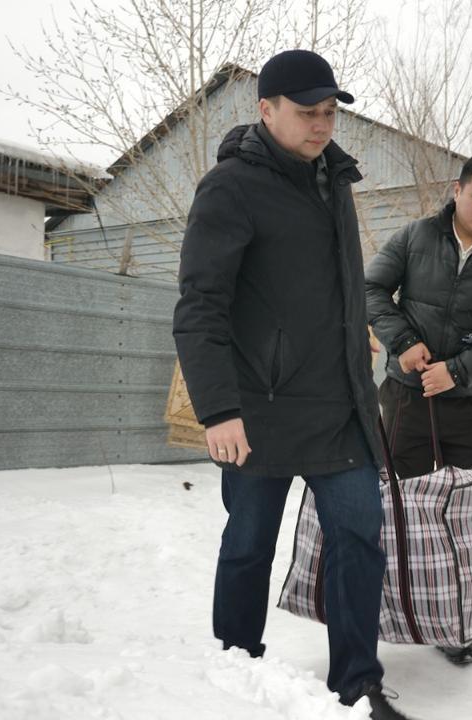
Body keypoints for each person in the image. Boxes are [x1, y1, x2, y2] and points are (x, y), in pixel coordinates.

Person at [172, 49, 411, 720]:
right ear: (266, 110)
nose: (322, 124)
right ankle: (236, 668)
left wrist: (354, 335)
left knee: (359, 540)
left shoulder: (335, 179)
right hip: (258, 409)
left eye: (330, 111)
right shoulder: (230, 188)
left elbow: (327, 286)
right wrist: (218, 409)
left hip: (338, 405)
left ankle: (357, 684)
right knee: (249, 544)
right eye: (308, 112)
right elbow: (200, 307)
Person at [364, 150, 472, 666]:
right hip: (407, 399)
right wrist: (402, 342)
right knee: (400, 510)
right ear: (457, 190)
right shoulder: (414, 237)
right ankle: (392, 610)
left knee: (462, 517)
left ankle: (454, 624)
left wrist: (457, 372)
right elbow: (371, 289)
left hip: (471, 408)